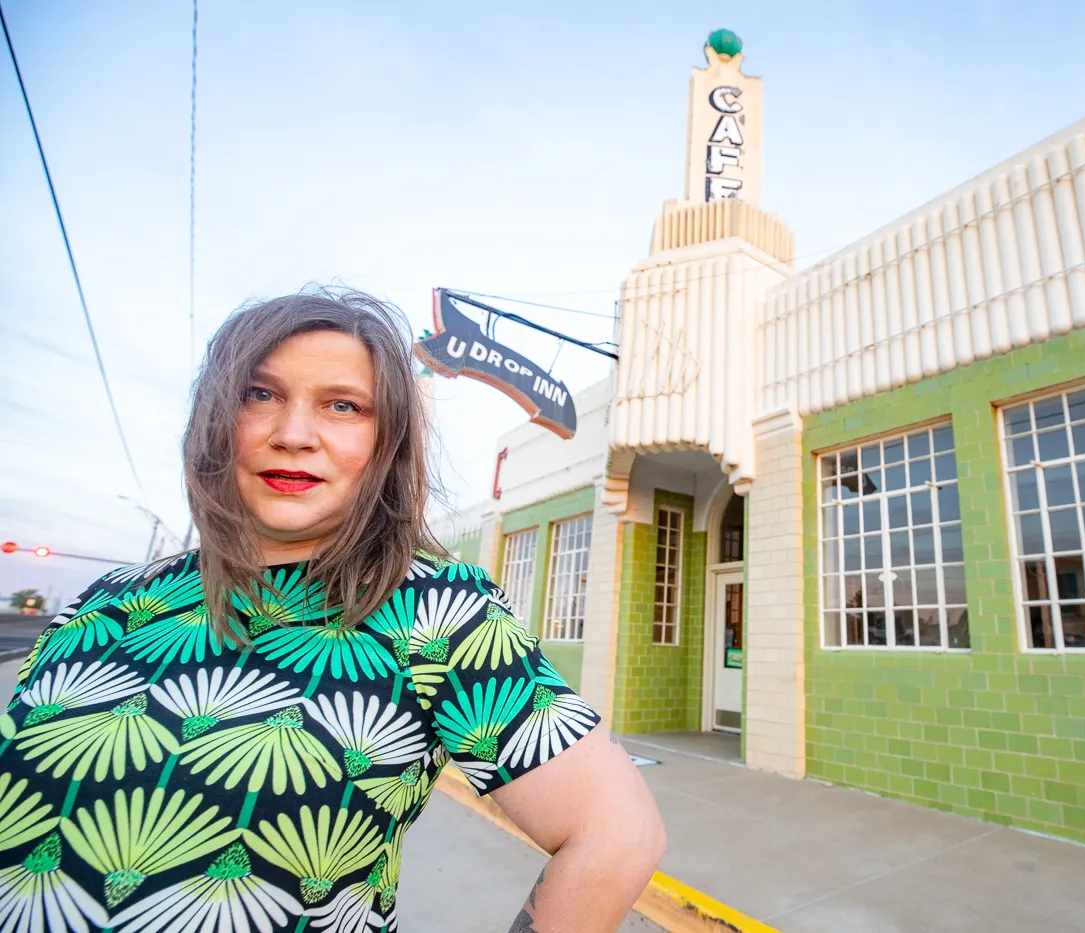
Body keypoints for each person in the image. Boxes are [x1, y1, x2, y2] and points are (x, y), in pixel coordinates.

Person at [0, 288, 665, 933]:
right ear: (214, 417)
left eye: (343, 405)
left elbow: (616, 833)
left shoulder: (433, 610)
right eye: (260, 394)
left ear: (385, 444)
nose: (294, 433)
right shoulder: (105, 601)